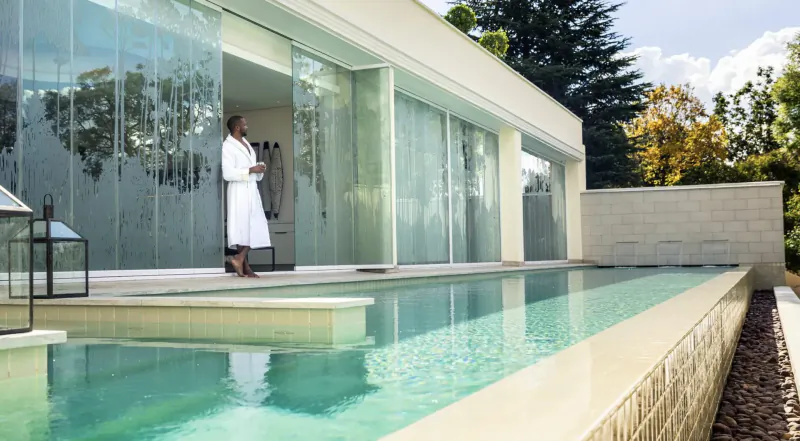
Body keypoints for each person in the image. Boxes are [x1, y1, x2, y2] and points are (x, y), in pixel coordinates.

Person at [222, 115, 270, 278]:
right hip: (239, 191)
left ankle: (240, 261)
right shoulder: (227, 147)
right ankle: (243, 262)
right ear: (237, 127)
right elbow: (228, 173)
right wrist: (250, 170)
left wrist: (258, 170)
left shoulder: (246, 144)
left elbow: (250, 169)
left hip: (250, 189)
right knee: (244, 228)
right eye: (245, 124)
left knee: (253, 226)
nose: (247, 126)